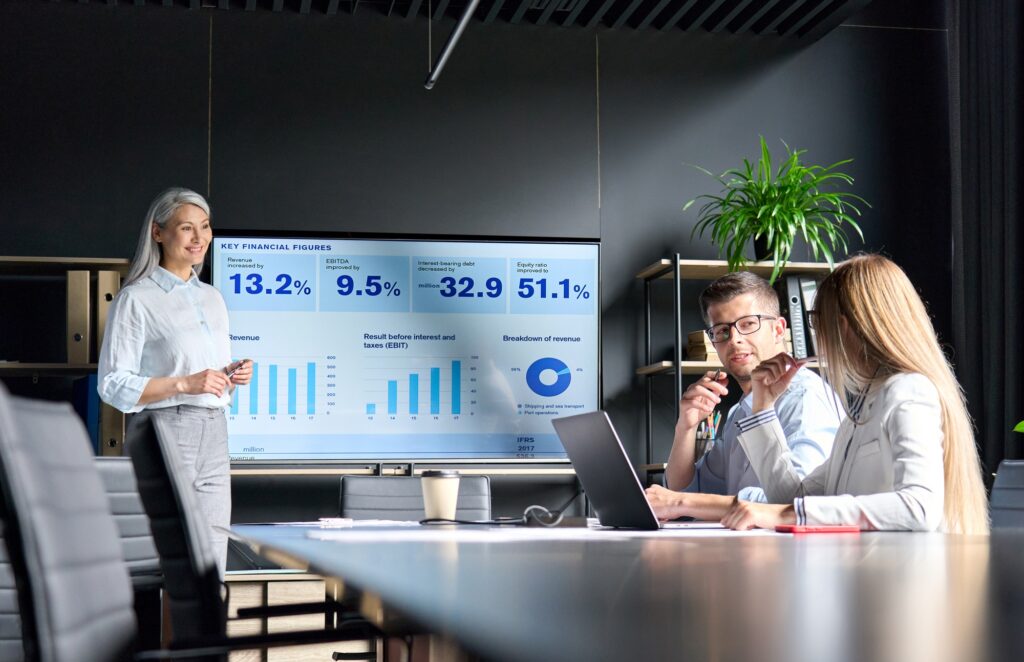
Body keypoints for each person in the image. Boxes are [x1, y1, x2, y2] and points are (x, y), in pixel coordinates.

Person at [716, 254, 989, 534]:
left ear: (843, 325)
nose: (817, 334)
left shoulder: (908, 390)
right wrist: (762, 408)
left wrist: (791, 514)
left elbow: (919, 507)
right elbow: (793, 499)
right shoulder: (859, 413)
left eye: (817, 320)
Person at [98, 187, 252, 575]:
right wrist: (185, 384)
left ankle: (208, 621)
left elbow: (207, 377)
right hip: (166, 431)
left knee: (212, 561)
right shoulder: (137, 298)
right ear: (158, 232)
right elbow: (112, 383)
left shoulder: (213, 299)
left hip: (214, 432)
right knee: (164, 560)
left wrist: (231, 376)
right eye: (186, 227)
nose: (199, 237)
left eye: (205, 226)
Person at [645, 272, 841, 520]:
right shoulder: (740, 412)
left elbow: (799, 504)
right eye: (722, 330)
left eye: (748, 324)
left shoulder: (805, 399)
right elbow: (688, 492)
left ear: (778, 329)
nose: (734, 340)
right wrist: (686, 428)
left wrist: (682, 502)